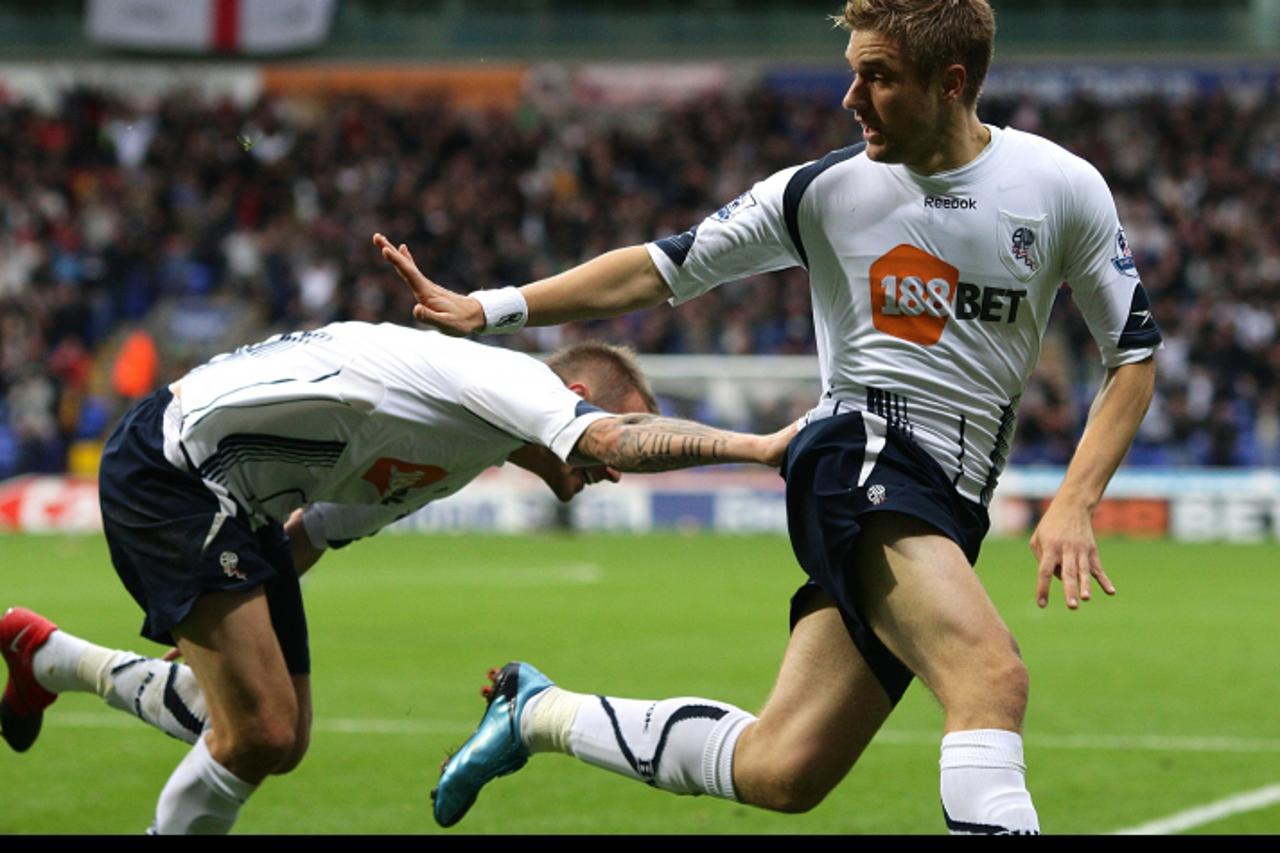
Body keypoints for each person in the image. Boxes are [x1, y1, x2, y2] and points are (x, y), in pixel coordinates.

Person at [376, 0, 1161, 835]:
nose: (850, 98)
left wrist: (1076, 497)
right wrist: (491, 307)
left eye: (878, 77)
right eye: (854, 72)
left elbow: (1133, 353)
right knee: (990, 679)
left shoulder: (1061, 188)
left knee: (783, 768)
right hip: (862, 455)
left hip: (949, 501)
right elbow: (660, 268)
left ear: (952, 83)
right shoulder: (825, 191)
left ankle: (537, 714)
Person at [1, 322, 795, 835]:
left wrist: (227, 626)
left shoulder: (456, 456)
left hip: (243, 508)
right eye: (615, 430)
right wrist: (757, 449)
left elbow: (306, 534)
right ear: (575, 400)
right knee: (260, 729)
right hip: (176, 466)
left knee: (279, 732)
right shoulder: (509, 381)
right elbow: (618, 442)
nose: (609, 473)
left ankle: (47, 658)